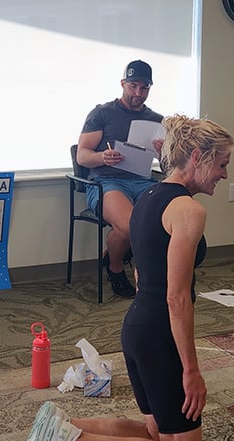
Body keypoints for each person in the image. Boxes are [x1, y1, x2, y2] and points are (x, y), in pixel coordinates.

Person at [25, 115, 234, 441]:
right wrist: (191, 370)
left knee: (157, 435)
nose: (224, 173)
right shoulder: (188, 210)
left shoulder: (147, 197)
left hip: (136, 328)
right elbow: (176, 299)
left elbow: (140, 275)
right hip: (159, 334)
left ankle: (64, 425)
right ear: (197, 157)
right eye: (222, 164)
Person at [76, 60, 164, 298]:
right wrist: (103, 157)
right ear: (123, 84)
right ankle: (115, 267)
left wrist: (164, 151)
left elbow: (168, 165)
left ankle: (148, 272)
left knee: (168, 218)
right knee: (127, 226)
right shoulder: (102, 113)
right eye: (133, 86)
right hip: (106, 182)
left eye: (144, 88)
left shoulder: (157, 120)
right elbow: (82, 156)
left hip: (142, 180)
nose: (138, 93)